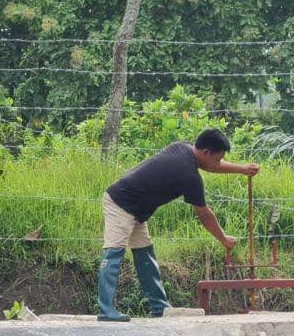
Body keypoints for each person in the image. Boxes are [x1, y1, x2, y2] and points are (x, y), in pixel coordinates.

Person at [98, 128, 260, 321]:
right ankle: (105, 310)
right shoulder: (189, 175)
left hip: (136, 209)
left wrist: (242, 169)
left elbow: (212, 166)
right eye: (218, 158)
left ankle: (159, 307)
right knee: (114, 252)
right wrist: (223, 239)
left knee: (145, 255)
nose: (218, 163)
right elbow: (204, 215)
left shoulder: (183, 147)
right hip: (120, 203)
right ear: (206, 152)